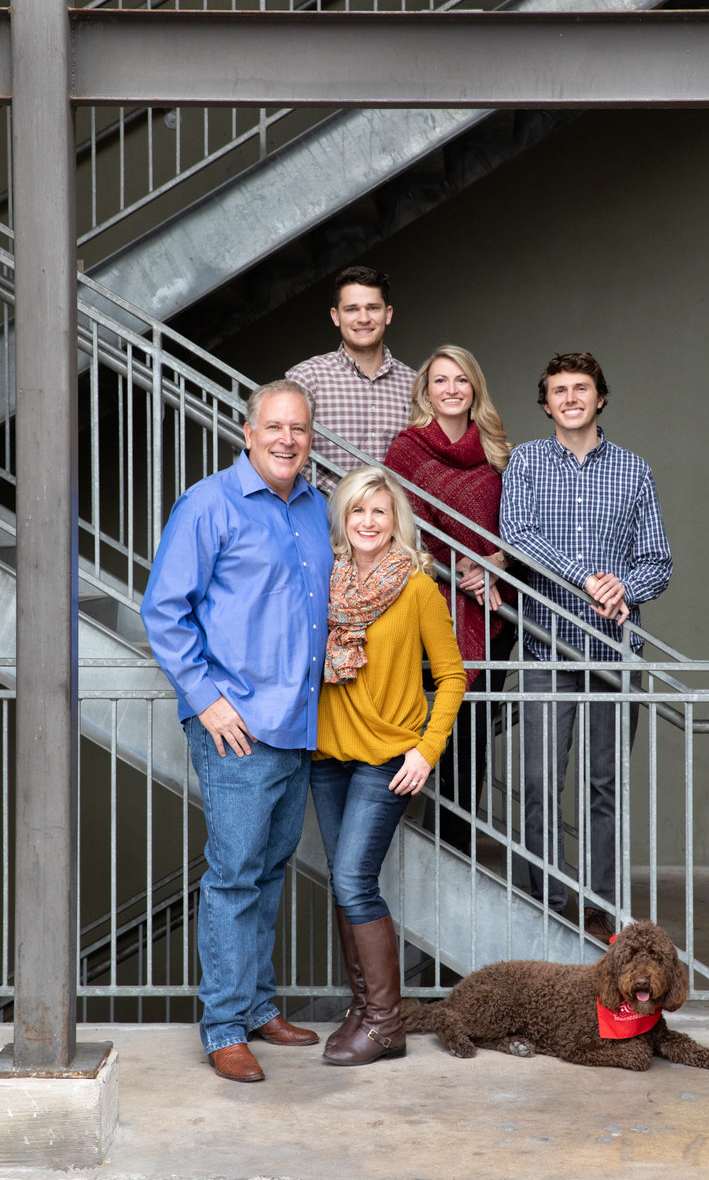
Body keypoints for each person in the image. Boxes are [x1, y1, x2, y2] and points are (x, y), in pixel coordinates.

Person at [141, 379, 333, 1083]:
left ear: (311, 440)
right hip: (238, 727)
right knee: (233, 876)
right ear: (247, 433)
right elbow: (164, 610)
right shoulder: (209, 504)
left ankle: (256, 1005)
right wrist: (206, 698)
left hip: (297, 723)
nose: (287, 440)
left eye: (300, 430)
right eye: (275, 427)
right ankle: (223, 1023)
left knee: (271, 869)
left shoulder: (315, 508)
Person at [499, 352, 672, 943]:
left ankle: (598, 907)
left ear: (600, 397)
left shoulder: (634, 470)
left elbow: (658, 561)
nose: (570, 397)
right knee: (541, 780)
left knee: (606, 785)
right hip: (547, 648)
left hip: (615, 653)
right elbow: (517, 535)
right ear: (545, 403)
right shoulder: (524, 461)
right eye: (558, 390)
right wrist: (584, 576)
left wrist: (625, 584)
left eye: (582, 388)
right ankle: (544, 899)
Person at [311, 466, 466, 1066]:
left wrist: (427, 749)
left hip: (388, 758)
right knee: (342, 883)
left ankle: (385, 1023)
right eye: (357, 512)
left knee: (354, 880)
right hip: (327, 754)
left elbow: (451, 676)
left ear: (395, 519)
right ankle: (361, 1010)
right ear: (342, 521)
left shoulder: (418, 588)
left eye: (379, 512)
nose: (369, 523)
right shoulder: (327, 580)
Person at [384, 345, 516, 851]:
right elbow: (400, 528)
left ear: (475, 388)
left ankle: (453, 848)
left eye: (462, 379)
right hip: (429, 603)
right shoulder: (407, 450)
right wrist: (450, 561)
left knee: (474, 732)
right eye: (441, 380)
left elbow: (516, 532)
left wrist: (493, 565)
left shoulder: (498, 451)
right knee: (424, 724)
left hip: (495, 608)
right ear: (426, 391)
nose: (452, 389)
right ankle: (400, 841)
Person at [286, 265, 415, 493]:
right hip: (322, 519)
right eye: (352, 309)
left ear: (388, 314)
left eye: (373, 308)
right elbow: (290, 450)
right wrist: (349, 498)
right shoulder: (306, 378)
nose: (363, 318)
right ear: (336, 316)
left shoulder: (415, 384)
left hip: (396, 522)